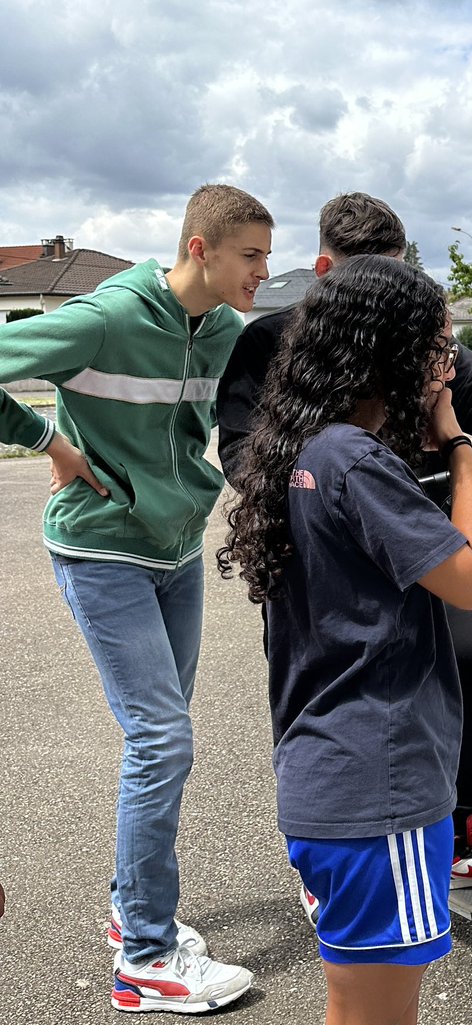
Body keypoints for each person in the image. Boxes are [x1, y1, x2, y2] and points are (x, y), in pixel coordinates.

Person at [216, 193, 472, 924]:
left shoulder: (360, 432)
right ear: (341, 283)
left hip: (400, 536)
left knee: (466, 668)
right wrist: (452, 445)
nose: (439, 359)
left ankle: (458, 822)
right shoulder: (311, 409)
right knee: (323, 680)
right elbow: (245, 452)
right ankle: (334, 842)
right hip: (329, 548)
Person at [0, 183, 273, 1013]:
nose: (263, 271)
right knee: (162, 738)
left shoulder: (224, 331)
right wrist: (46, 437)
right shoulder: (105, 320)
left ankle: (130, 911)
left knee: (164, 734)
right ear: (201, 249)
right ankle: (148, 957)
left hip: (173, 548)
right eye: (252, 255)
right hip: (99, 546)